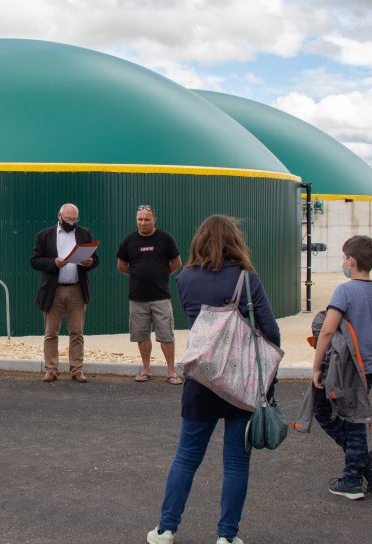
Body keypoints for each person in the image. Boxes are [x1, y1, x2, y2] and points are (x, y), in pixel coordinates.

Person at [147, 215, 279, 544]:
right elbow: (271, 332)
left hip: (201, 379)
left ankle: (165, 529)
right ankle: (226, 536)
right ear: (235, 241)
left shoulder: (186, 279)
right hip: (240, 382)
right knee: (235, 463)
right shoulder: (248, 279)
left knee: (186, 457)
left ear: (199, 241)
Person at [311, 235, 372, 500]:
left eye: (345, 257)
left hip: (345, 366)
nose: (343, 262)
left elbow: (328, 331)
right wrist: (369, 358)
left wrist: (317, 367)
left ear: (352, 260)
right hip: (368, 365)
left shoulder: (344, 291)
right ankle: (362, 463)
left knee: (335, 415)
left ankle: (353, 478)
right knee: (353, 417)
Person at [116, 205, 182, 384]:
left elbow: (177, 262)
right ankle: (146, 370)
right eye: (139, 219)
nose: (142, 223)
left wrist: (162, 275)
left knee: (166, 335)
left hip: (161, 297)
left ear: (154, 220)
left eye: (146, 219)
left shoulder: (165, 238)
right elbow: (121, 265)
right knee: (142, 335)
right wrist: (137, 275)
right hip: (137, 298)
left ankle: (171, 372)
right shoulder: (129, 240)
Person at [31, 203, 97, 383]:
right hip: (54, 290)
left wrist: (89, 262)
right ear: (59, 216)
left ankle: (77, 369)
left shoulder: (84, 233)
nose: (72, 222)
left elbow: (95, 259)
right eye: (69, 219)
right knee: (51, 332)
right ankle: (51, 369)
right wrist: (53, 263)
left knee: (77, 331)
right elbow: (35, 261)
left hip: (77, 289)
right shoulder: (44, 235)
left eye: (75, 219)